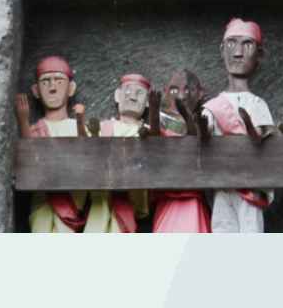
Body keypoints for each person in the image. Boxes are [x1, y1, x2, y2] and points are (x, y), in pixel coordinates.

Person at [202, 18, 276, 232]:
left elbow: (266, 142)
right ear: (222, 49)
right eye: (231, 43)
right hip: (222, 186)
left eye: (247, 44)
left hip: (250, 188)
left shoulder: (258, 104)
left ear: (259, 54)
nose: (238, 52)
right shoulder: (211, 106)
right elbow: (203, 134)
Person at [23, 55, 90, 233]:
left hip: (71, 203)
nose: (52, 88)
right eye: (45, 82)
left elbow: (89, 154)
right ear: (36, 90)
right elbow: (28, 159)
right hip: (42, 202)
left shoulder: (77, 127)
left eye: (59, 81)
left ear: (71, 88)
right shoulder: (36, 129)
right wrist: (23, 120)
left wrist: (80, 121)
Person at [91, 73, 155, 232]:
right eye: (127, 91)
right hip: (102, 196)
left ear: (147, 101)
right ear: (117, 95)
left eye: (139, 93)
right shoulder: (105, 127)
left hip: (131, 197)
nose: (132, 97)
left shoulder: (148, 132)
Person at [151, 70, 212, 232]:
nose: (181, 96)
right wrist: (154, 112)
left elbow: (196, 140)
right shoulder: (164, 124)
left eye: (188, 90)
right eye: (174, 91)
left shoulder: (203, 120)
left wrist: (187, 116)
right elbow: (154, 142)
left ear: (200, 93)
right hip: (167, 196)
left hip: (192, 197)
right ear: (165, 92)